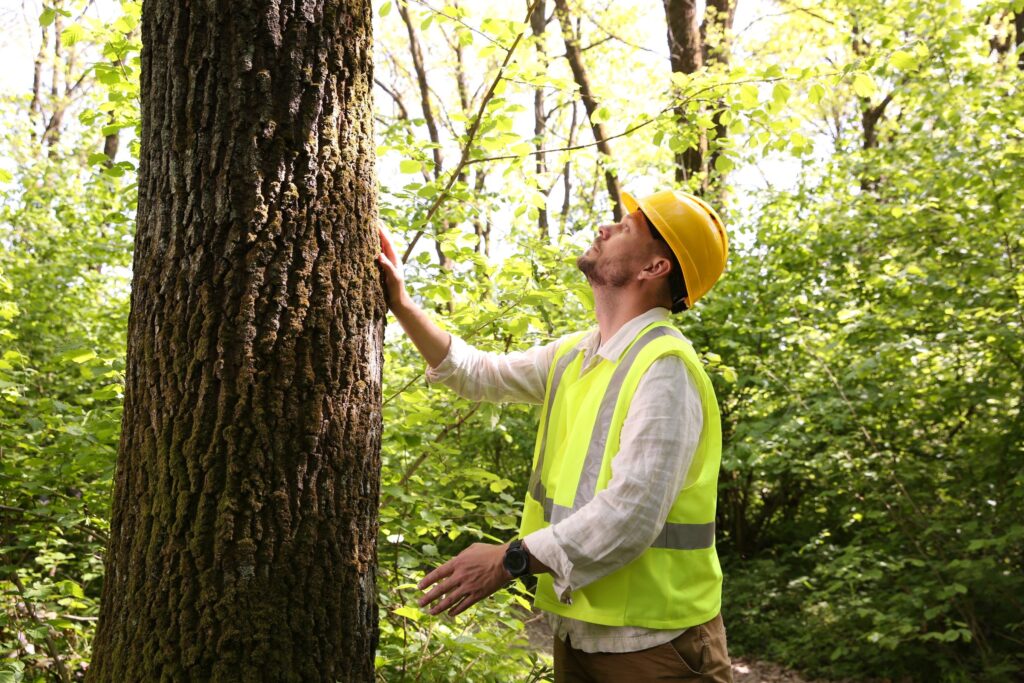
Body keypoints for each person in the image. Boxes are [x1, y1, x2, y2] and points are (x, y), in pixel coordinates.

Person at [377, 189, 733, 682]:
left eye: (627, 228)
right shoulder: (577, 354)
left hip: (657, 648)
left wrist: (508, 561)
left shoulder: (664, 368)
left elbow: (630, 516)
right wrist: (400, 303)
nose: (606, 228)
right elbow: (476, 373)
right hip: (578, 635)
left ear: (655, 268)